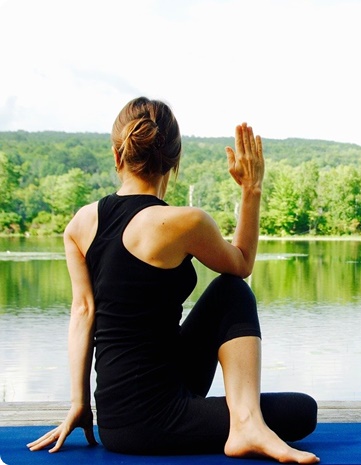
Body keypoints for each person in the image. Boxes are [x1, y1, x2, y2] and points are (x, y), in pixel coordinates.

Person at [27, 97, 319, 463]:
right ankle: (246, 423)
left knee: (229, 292)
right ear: (175, 161)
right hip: (153, 422)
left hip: (117, 421)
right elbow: (241, 263)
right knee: (301, 410)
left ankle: (246, 422)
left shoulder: (80, 225)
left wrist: (80, 403)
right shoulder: (185, 222)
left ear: (118, 157)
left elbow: (83, 313)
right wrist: (251, 189)